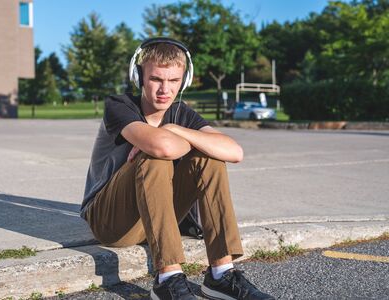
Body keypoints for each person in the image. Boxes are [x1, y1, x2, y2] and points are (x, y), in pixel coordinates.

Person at [81, 37, 274, 300]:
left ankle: (221, 274)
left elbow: (234, 152)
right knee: (154, 157)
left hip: (153, 217)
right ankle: (168, 278)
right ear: (139, 77)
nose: (165, 90)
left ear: (184, 80)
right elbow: (162, 149)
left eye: (173, 81)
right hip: (111, 221)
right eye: (156, 79)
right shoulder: (120, 106)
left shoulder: (181, 114)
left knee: (210, 159)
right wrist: (185, 140)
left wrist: (175, 130)